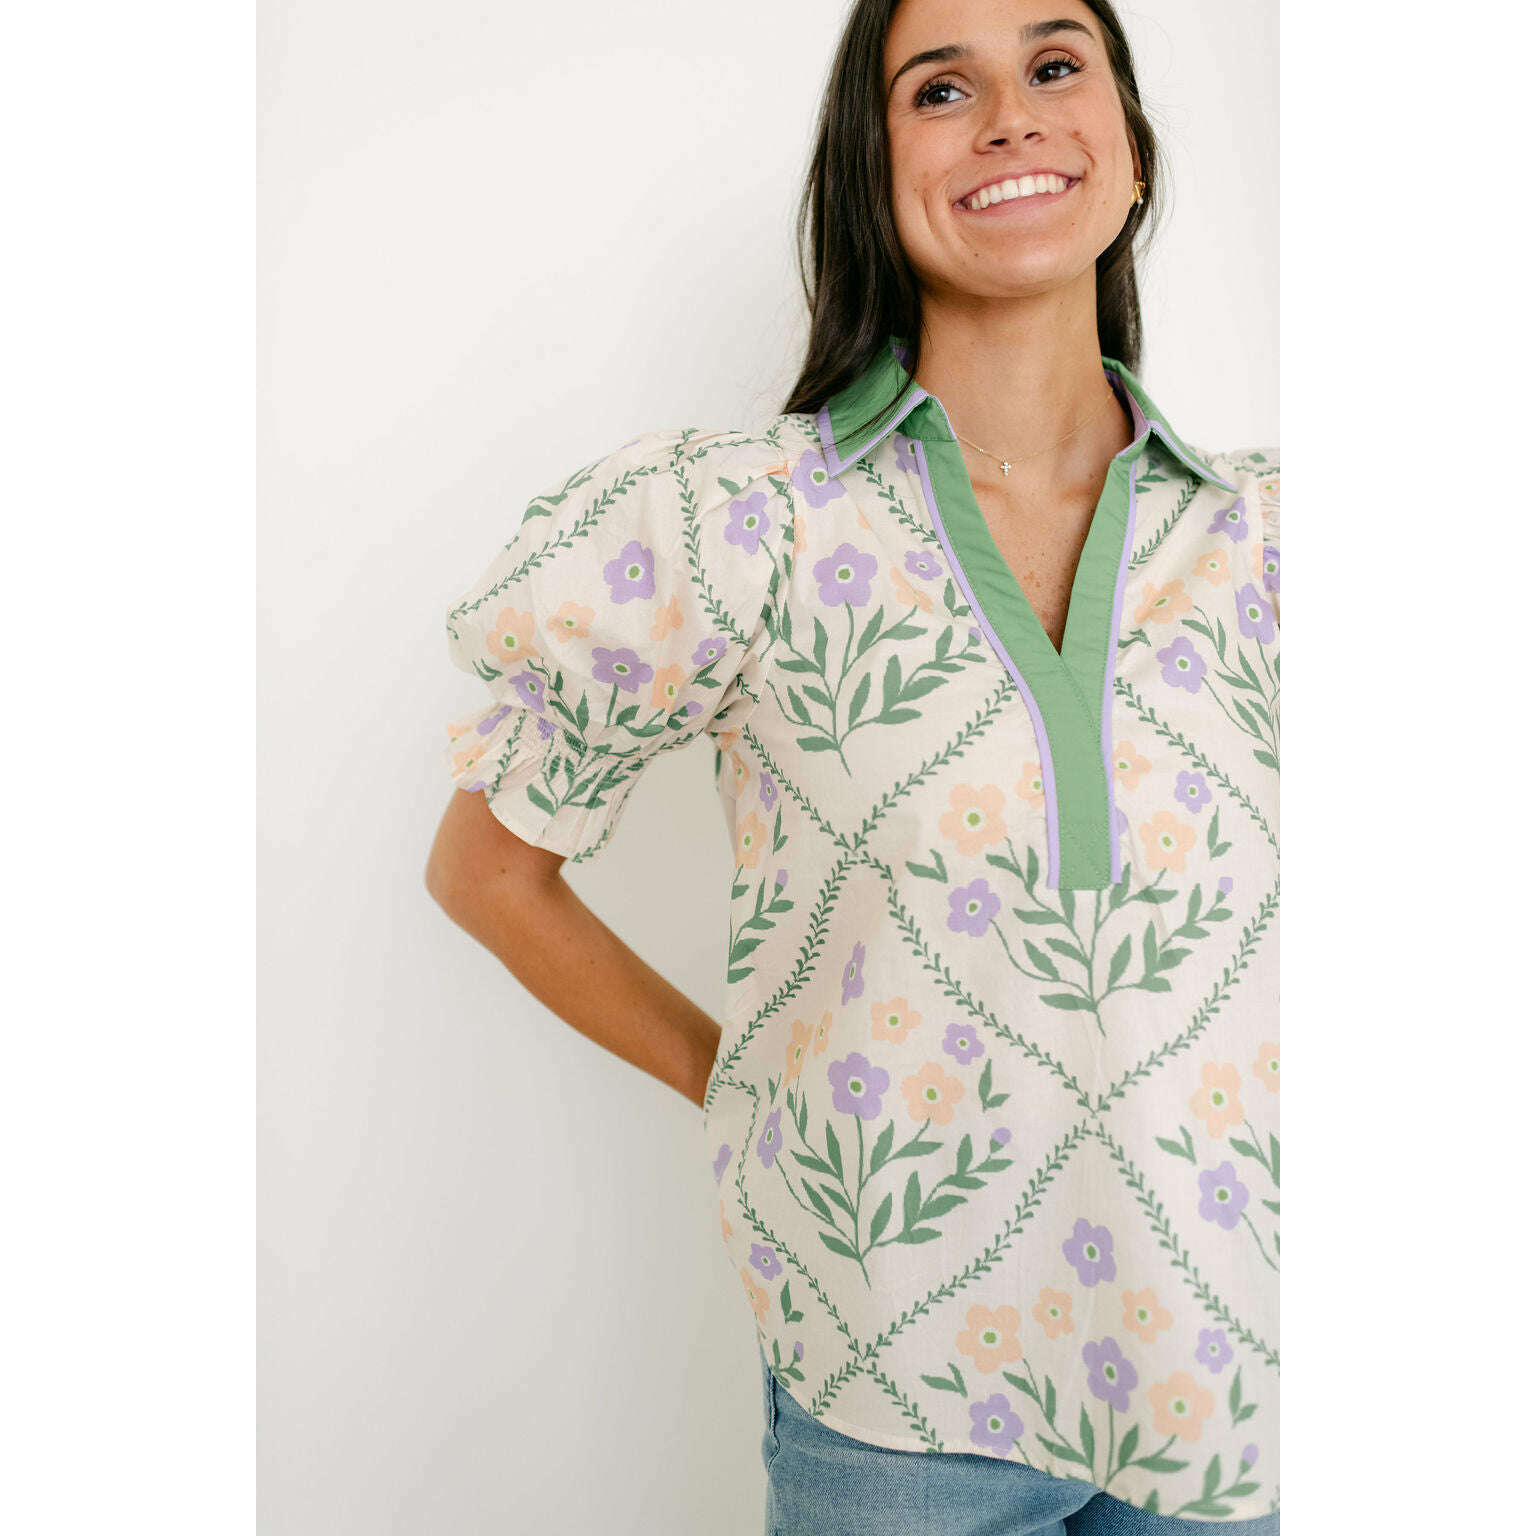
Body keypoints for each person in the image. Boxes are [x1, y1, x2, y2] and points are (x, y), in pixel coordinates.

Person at [425, 0, 1279, 1530]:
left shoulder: (1279, 543)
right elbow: (488, 871)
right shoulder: (735, 527)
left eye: (1057, 65)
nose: (1012, 114)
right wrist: (742, 1084)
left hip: (1231, 1380)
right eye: (941, 89)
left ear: (1133, 151)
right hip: (896, 1398)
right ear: (871, 173)